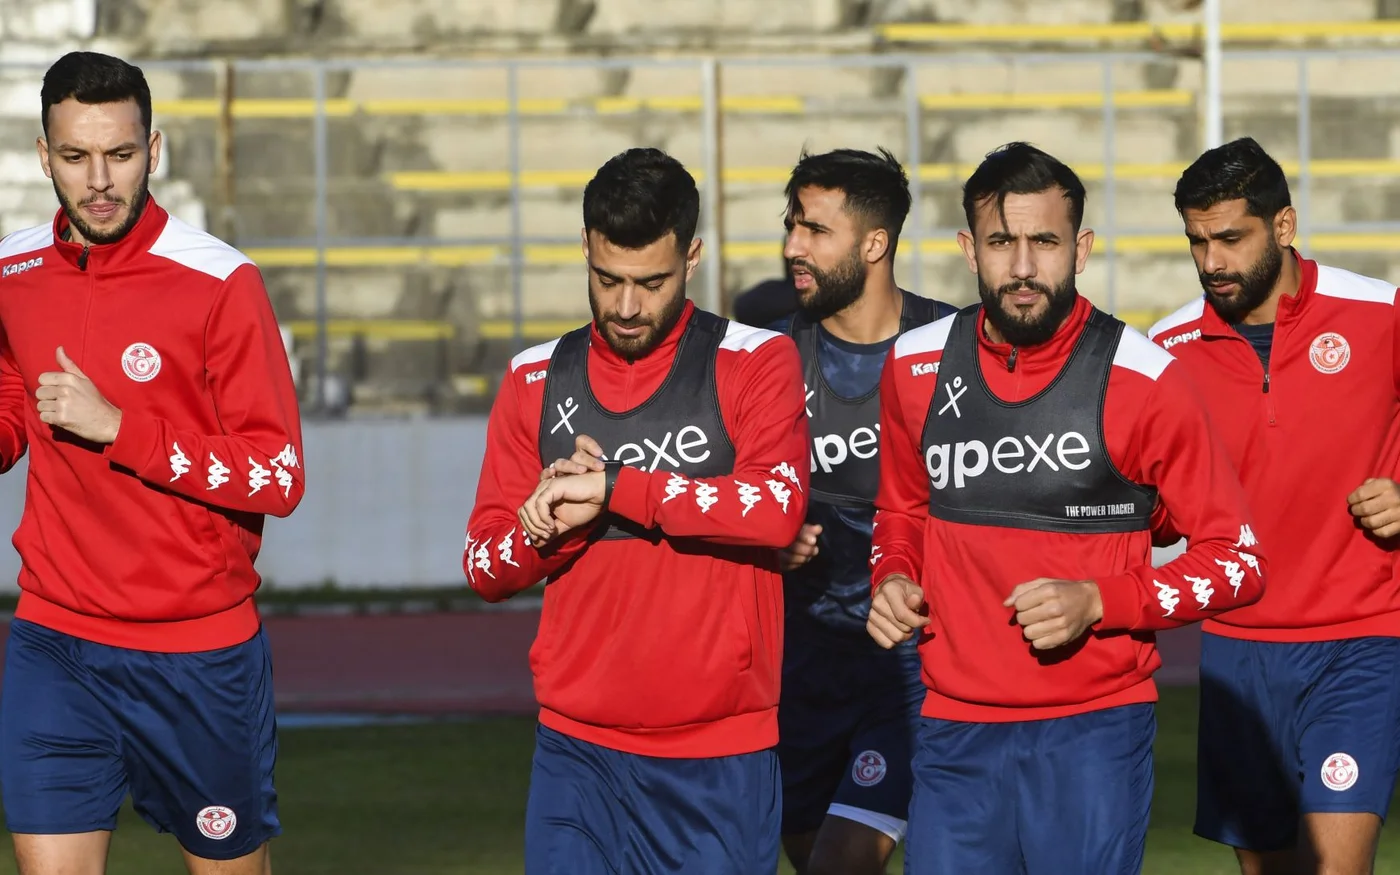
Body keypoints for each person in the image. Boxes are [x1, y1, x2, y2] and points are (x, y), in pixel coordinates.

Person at [867, 141, 1268, 874]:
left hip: (1094, 733)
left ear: (1080, 247)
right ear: (968, 248)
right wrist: (892, 575)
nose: (1023, 267)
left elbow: (1238, 563)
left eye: (1044, 241)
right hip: (952, 729)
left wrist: (1100, 600)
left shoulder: (1148, 378)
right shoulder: (912, 366)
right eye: (1001, 242)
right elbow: (901, 511)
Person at [461, 147, 810, 875]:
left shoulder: (756, 359)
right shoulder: (535, 376)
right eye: (608, 279)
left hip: (720, 755)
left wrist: (622, 488)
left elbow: (775, 508)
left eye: (651, 283)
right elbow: (483, 564)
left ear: (693, 256)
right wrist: (544, 529)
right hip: (576, 752)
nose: (626, 306)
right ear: (586, 249)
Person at [0, 51, 305, 875]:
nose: (99, 180)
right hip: (54, 640)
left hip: (197, 655)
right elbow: (9, 412)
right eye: (75, 157)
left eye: (121, 155)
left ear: (154, 149)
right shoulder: (13, 272)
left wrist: (121, 429)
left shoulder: (221, 283)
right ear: (43, 156)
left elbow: (280, 475)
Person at [1148, 136, 1400, 875]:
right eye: (1197, 241)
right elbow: (1155, 501)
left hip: (1361, 640)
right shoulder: (1167, 348)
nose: (1211, 261)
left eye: (1230, 237)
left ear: (1283, 226)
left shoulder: (1379, 312)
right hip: (1234, 650)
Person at [766, 147, 955, 875]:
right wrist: (763, 543)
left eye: (814, 229)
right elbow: (729, 504)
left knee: (843, 862)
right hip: (797, 673)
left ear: (875, 244)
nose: (792, 247)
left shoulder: (957, 348)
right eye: (791, 225)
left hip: (909, 670)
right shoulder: (766, 361)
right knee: (812, 853)